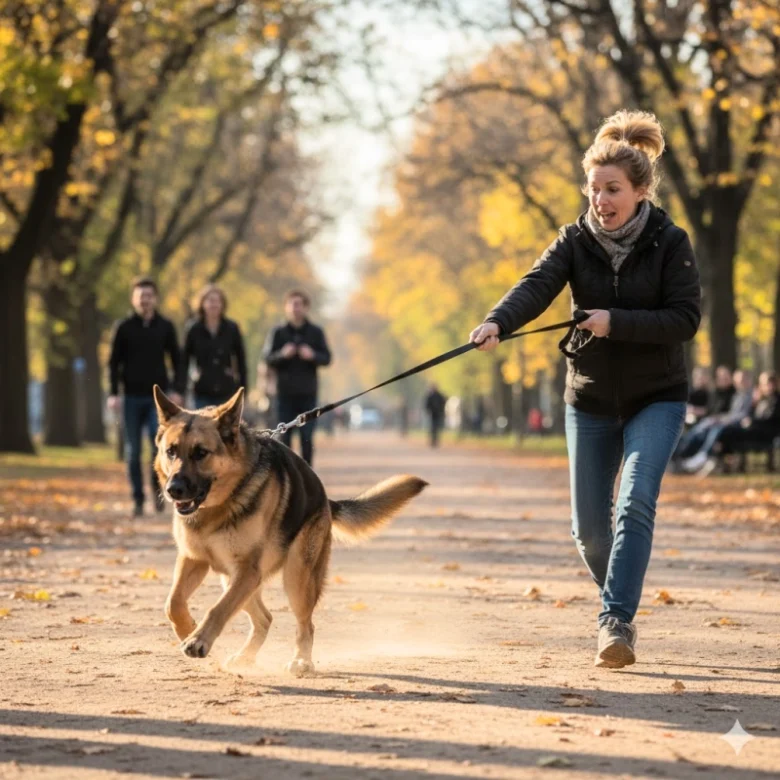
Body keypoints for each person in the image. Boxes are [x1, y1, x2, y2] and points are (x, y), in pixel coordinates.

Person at [468, 110, 700, 669]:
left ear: (640, 191)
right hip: (591, 397)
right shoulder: (574, 240)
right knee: (589, 532)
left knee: (635, 501)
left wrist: (614, 321)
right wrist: (499, 321)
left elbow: (685, 319)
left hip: (656, 396)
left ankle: (614, 620)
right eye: (594, 189)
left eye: (613, 189)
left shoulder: (670, 241)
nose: (601, 199)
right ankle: (619, 600)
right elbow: (537, 284)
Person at [108, 277, 184, 517]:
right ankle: (138, 499)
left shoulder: (165, 326)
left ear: (155, 298)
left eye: (149, 295)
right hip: (130, 397)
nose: (145, 299)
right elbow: (113, 363)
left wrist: (177, 390)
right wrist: (113, 393)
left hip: (158, 402)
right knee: (132, 452)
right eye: (141, 295)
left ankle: (158, 492)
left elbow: (177, 360)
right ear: (134, 299)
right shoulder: (124, 327)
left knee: (158, 448)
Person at [263, 289, 331, 466]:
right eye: (292, 304)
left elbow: (327, 358)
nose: (295, 308)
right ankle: (287, 477)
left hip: (308, 394)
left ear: (306, 308)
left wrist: (313, 355)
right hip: (283, 395)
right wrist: (282, 355)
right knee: (284, 438)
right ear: (286, 307)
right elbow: (267, 358)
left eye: (299, 304)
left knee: (307, 438)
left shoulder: (315, 332)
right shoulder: (278, 332)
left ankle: (307, 476)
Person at [682, 371, 780, 475]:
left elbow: (769, 420)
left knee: (721, 430)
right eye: (763, 384)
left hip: (761, 433)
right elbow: (752, 414)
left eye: (768, 383)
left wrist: (751, 421)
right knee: (715, 430)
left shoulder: (774, 400)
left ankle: (705, 456)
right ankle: (703, 457)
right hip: (751, 429)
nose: (765, 387)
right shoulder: (759, 398)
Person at [182, 284, 247, 409]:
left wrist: (243, 389)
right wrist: (181, 390)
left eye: (218, 301)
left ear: (223, 304)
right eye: (210, 301)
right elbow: (184, 361)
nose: (214, 305)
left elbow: (241, 360)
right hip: (201, 390)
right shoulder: (193, 329)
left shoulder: (232, 328)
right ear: (202, 303)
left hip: (226, 390)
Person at [674, 369, 753, 468]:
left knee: (715, 428)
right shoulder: (737, 395)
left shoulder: (751, 395)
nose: (739, 383)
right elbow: (731, 413)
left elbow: (742, 415)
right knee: (701, 430)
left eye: (742, 380)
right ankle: (681, 455)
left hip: (740, 427)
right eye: (737, 381)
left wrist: (722, 418)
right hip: (726, 423)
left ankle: (703, 455)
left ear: (749, 380)